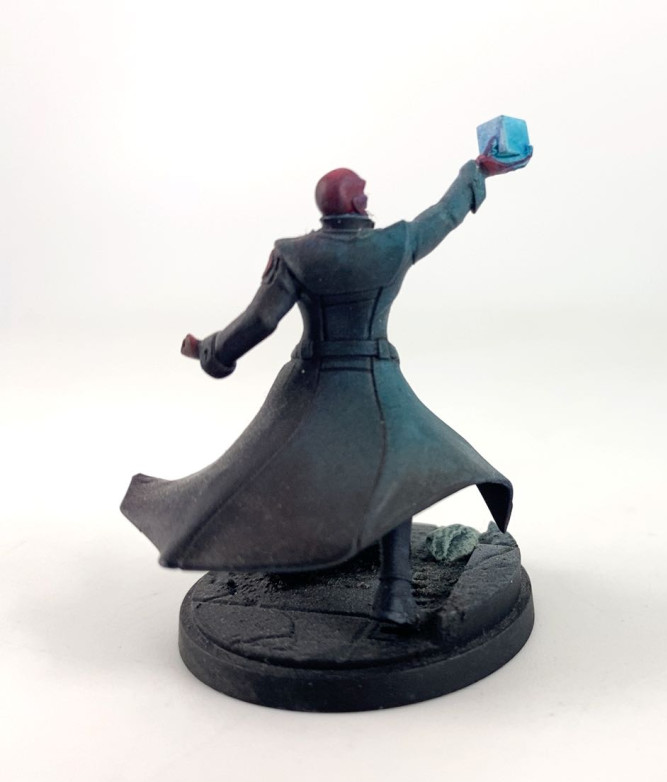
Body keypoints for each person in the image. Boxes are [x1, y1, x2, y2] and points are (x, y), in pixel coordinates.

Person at [121, 156, 518, 625]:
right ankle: (393, 594)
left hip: (310, 383)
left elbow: (261, 319)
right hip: (376, 384)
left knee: (268, 468)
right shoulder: (394, 243)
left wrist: (212, 353)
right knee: (400, 474)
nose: (368, 198)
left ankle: (299, 554)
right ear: (355, 204)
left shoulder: (295, 254)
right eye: (363, 192)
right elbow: (445, 214)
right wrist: (478, 171)